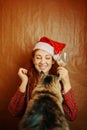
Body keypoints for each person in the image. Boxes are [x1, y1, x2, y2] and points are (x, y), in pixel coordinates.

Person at [8, 36, 78, 121]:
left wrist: (66, 82)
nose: (42, 62)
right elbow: (14, 112)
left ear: (52, 61)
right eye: (38, 57)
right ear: (33, 60)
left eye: (47, 58)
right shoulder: (28, 79)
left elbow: (71, 115)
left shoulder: (59, 81)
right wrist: (24, 82)